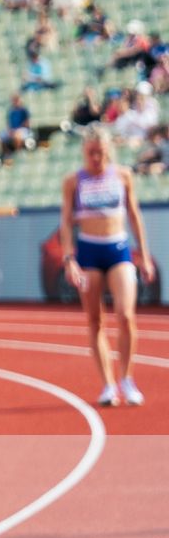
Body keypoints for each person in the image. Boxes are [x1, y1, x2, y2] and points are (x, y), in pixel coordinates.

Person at [59, 126, 154, 407]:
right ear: (83, 153)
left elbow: (134, 215)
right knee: (95, 320)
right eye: (91, 153)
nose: (96, 158)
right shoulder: (73, 181)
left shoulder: (123, 175)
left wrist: (145, 255)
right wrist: (69, 259)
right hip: (88, 252)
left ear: (108, 150)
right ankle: (108, 385)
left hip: (118, 249)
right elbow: (65, 221)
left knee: (126, 315)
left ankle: (127, 378)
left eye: (100, 152)